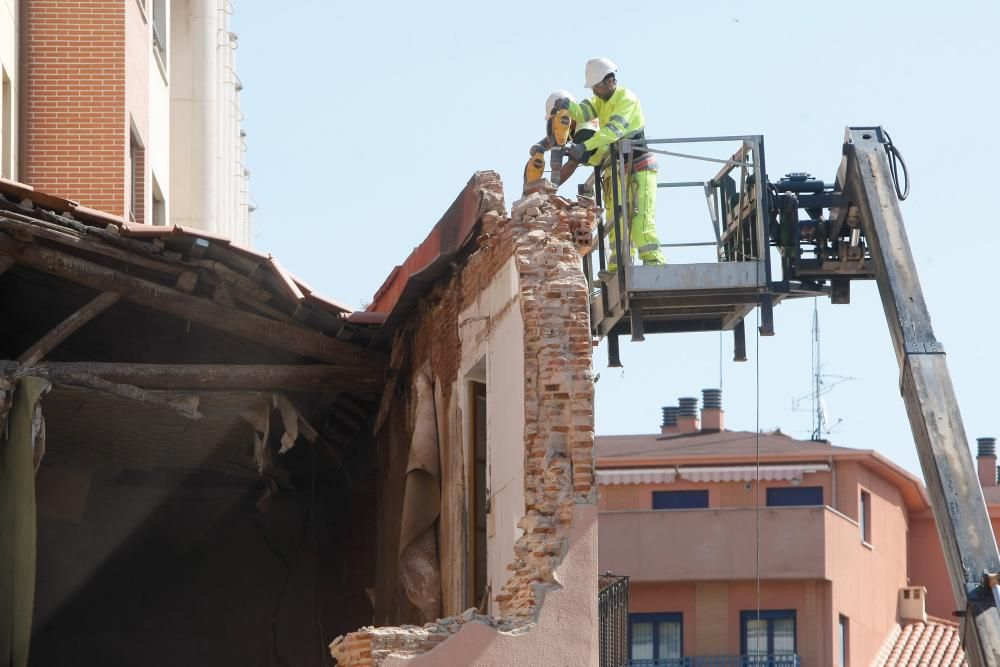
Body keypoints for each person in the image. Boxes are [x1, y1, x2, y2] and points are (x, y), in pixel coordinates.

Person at [556, 57, 665, 271]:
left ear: (610, 81)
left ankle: (654, 264)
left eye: (596, 87)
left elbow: (611, 133)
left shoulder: (627, 99)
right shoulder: (601, 101)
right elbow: (583, 112)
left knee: (641, 220)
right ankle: (618, 268)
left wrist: (584, 147)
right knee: (617, 222)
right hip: (620, 169)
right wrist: (567, 106)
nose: (594, 92)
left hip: (640, 166)